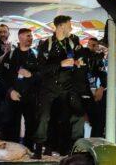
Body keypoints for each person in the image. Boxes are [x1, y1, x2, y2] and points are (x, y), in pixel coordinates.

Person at [33, 15, 83, 158]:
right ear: (60, 26)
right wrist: (60, 64)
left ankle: (63, 150)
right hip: (48, 88)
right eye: (69, 25)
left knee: (65, 119)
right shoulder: (46, 44)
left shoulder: (72, 42)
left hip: (66, 87)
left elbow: (80, 56)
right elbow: (41, 69)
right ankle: (38, 150)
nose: (71, 27)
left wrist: (79, 61)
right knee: (44, 118)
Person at [0, 28, 39, 151]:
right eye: (28, 36)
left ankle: (28, 151)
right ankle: (12, 152)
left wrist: (31, 75)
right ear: (20, 37)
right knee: (11, 125)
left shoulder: (36, 55)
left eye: (31, 36)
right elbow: (3, 77)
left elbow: (42, 75)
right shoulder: (11, 55)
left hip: (30, 97)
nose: (31, 38)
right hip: (13, 97)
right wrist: (10, 91)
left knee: (31, 125)